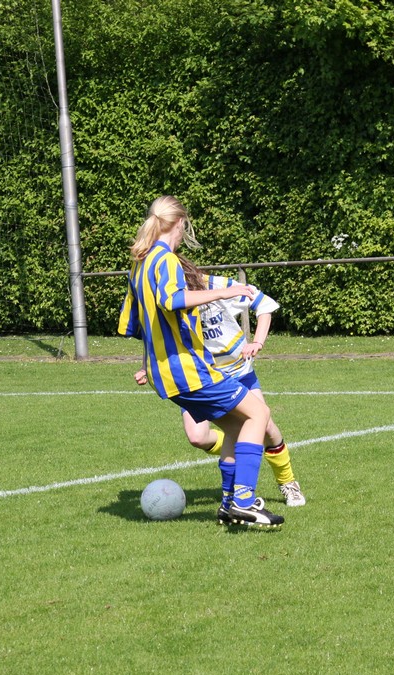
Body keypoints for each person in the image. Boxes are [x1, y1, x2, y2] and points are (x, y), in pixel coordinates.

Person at [118, 196, 284, 530]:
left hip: (167, 374)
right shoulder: (166, 259)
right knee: (259, 414)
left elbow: (134, 325)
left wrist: (150, 364)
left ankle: (228, 505)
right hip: (189, 370)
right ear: (180, 223)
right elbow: (172, 300)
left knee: (236, 427)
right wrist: (223, 292)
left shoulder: (139, 264)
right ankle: (244, 502)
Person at [133, 266, 305, 508]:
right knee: (198, 437)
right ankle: (245, 450)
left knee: (265, 426)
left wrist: (257, 342)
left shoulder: (215, 285)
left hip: (238, 371)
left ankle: (287, 482)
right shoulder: (167, 296)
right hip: (200, 376)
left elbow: (264, 305)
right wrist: (147, 366)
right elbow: (154, 335)